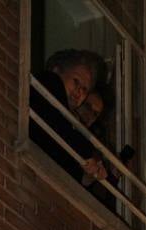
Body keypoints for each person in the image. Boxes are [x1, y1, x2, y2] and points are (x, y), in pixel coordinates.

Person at [29, 49, 107, 184]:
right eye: (76, 82)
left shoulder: (71, 123)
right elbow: (58, 127)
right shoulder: (49, 81)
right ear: (57, 70)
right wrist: (88, 154)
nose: (79, 92)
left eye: (85, 89)